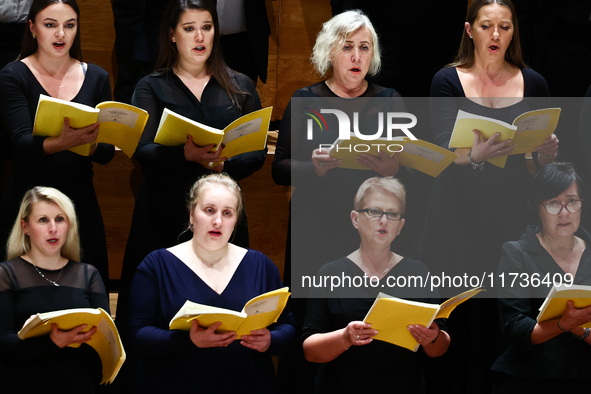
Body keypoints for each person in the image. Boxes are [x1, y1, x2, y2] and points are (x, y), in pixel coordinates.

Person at [420, 1, 561, 391]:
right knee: (458, 309)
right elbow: (442, 149)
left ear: (514, 31)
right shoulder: (447, 80)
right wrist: (473, 157)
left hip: (510, 211)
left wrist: (544, 153)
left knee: (506, 309)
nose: (495, 34)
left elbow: (537, 159)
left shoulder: (533, 82)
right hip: (456, 211)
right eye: (486, 26)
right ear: (470, 30)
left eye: (504, 26)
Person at [271, 10, 409, 392]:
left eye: (364, 48)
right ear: (330, 51)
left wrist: (391, 167)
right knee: (311, 319)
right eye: (347, 47)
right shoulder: (306, 99)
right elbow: (279, 168)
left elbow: (408, 172)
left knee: (364, 315)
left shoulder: (389, 99)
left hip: (369, 231)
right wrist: (312, 166)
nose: (356, 57)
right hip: (316, 227)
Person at [117, 0, 266, 343]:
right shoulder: (151, 86)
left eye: (207, 27)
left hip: (221, 215)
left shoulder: (239, 85)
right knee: (159, 310)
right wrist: (184, 154)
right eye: (189, 29)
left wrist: (226, 164)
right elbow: (142, 151)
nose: (200, 37)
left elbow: (257, 153)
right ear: (172, 35)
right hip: (164, 210)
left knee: (222, 307)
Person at [128, 173, 295, 393]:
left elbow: (288, 327)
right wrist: (188, 340)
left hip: (247, 382)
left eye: (227, 213)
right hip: (174, 382)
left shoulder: (260, 265)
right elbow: (138, 334)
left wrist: (270, 340)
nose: (218, 221)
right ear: (191, 215)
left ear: (236, 221)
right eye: (209, 210)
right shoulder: (157, 264)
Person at [0, 0, 114, 286]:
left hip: (79, 200)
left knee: (87, 294)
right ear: (33, 28)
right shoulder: (13, 75)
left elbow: (107, 153)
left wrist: (85, 144)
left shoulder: (97, 76)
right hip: (29, 199)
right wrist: (66, 141)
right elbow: (21, 146)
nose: (60, 34)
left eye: (69, 25)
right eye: (50, 25)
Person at [302, 176, 450, 393]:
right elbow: (310, 351)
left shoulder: (419, 272)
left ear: (400, 226)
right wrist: (345, 337)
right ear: (355, 219)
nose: (384, 221)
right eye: (374, 211)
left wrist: (433, 338)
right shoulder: (330, 273)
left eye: (392, 214)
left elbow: (439, 349)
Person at [492, 162, 591, 392]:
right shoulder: (517, 252)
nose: (564, 212)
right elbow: (514, 326)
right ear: (537, 208)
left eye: (572, 201)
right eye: (553, 203)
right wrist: (563, 324)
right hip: (529, 377)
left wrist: (580, 330)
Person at [0, 186, 110, 393]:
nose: (53, 228)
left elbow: (103, 343)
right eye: (43, 220)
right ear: (25, 226)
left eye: (60, 219)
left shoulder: (88, 274)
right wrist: (51, 343)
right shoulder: (6, 273)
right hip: (21, 383)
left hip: (76, 383)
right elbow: (3, 342)